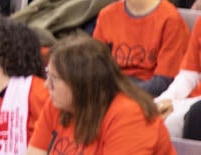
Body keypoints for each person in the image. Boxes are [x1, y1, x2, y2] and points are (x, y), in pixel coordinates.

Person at [29, 34, 170, 155]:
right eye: (47, 75)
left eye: (54, 78)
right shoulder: (58, 104)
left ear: (80, 83)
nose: (47, 85)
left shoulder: (129, 115)